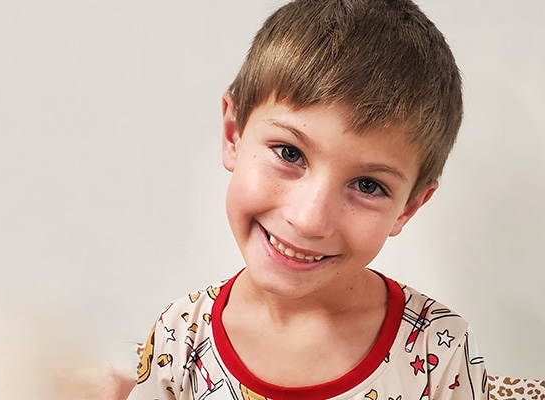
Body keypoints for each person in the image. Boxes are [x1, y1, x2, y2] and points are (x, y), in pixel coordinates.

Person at [125, 0, 487, 399]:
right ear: (234, 134)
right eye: (289, 153)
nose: (309, 219)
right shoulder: (179, 337)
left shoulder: (439, 348)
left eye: (367, 185)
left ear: (409, 207)